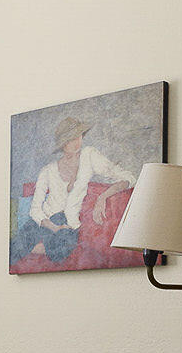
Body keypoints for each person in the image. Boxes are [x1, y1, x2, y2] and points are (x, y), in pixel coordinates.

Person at [14, 113, 135, 264]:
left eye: (78, 136)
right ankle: (33, 247)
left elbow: (128, 178)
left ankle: (36, 248)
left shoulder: (89, 155)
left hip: (68, 225)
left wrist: (103, 197)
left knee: (61, 248)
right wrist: (53, 227)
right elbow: (35, 209)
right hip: (44, 223)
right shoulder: (48, 170)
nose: (77, 142)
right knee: (16, 247)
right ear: (63, 144)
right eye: (71, 139)